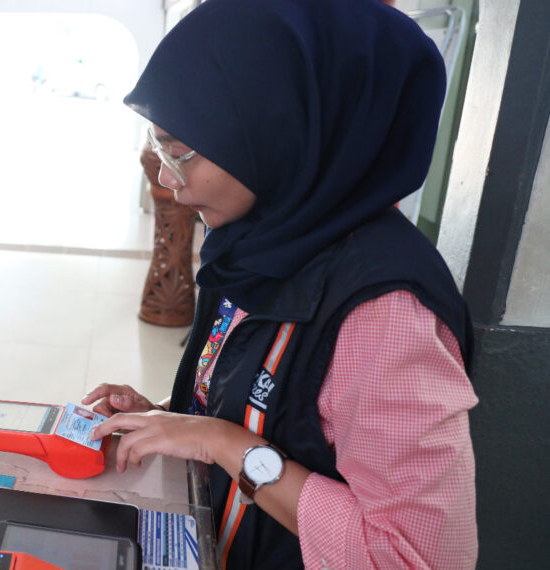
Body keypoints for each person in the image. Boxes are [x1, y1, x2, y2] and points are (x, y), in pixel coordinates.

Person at [83, 0, 478, 568]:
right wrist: (172, 421)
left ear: (278, 124)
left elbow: (416, 556)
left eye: (181, 153)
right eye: (159, 149)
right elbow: (282, 404)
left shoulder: (385, 315)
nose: (168, 183)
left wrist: (222, 443)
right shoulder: (258, 241)